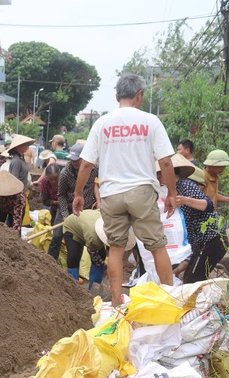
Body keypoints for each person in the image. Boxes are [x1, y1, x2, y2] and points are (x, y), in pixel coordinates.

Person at [73, 73, 177, 307]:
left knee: (116, 249)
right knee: (157, 246)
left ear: (117, 95)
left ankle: (118, 304)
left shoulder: (102, 123)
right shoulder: (151, 121)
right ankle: (170, 300)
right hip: (142, 192)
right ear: (139, 94)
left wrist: (79, 194)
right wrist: (171, 193)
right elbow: (166, 162)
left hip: (111, 194)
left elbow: (87, 164)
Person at [156, 153, 226, 283]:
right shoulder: (173, 190)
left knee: (191, 281)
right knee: (190, 279)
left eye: (160, 174)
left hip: (211, 239)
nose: (158, 178)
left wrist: (186, 200)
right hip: (201, 242)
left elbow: (208, 205)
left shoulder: (185, 185)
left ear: (169, 173)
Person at [48, 143, 98, 260]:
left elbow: (97, 184)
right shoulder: (65, 174)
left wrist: (98, 201)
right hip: (68, 206)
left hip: (85, 209)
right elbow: (61, 195)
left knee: (79, 240)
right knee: (57, 235)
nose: (75, 163)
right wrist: (65, 214)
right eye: (73, 160)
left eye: (78, 160)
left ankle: (76, 266)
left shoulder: (94, 169)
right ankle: (51, 262)